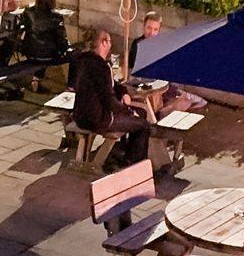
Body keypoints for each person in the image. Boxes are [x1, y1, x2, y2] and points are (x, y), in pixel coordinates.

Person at [69, 26, 150, 167]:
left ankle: (123, 151)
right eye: (110, 42)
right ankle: (132, 164)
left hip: (79, 114)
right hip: (98, 118)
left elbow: (113, 85)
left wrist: (124, 92)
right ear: (104, 43)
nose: (111, 45)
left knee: (141, 113)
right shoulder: (100, 66)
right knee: (144, 125)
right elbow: (107, 99)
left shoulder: (81, 60)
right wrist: (129, 111)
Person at [128, 11, 207, 114]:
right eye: (149, 28)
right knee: (181, 96)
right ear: (144, 26)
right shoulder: (138, 44)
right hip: (145, 83)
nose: (151, 33)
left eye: (155, 29)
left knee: (188, 95)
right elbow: (132, 67)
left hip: (161, 80)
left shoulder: (161, 44)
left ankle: (172, 104)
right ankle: (168, 108)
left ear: (159, 30)